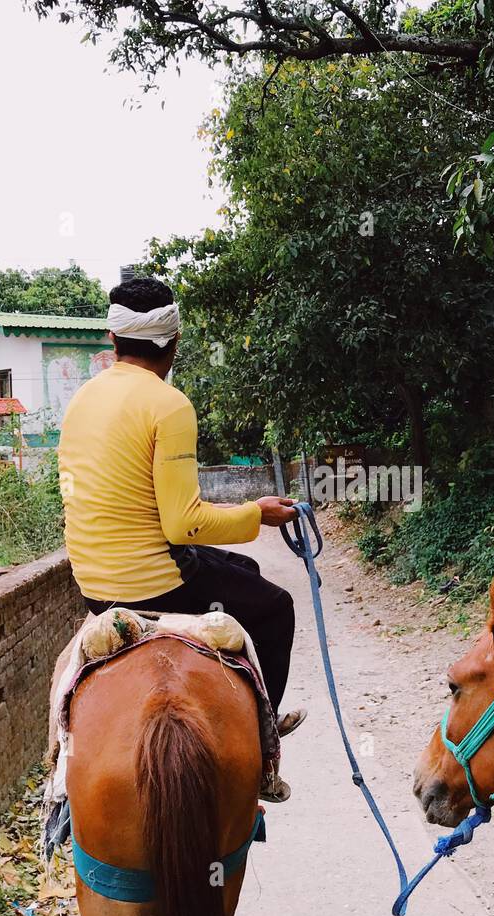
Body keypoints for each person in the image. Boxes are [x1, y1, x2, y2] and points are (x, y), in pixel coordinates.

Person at [58, 276, 303, 798]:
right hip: (153, 582)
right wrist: (256, 515)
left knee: (246, 574)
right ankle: (263, 747)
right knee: (275, 606)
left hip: (94, 584)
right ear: (172, 343)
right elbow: (182, 524)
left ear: (112, 339)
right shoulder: (168, 404)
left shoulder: (82, 399)